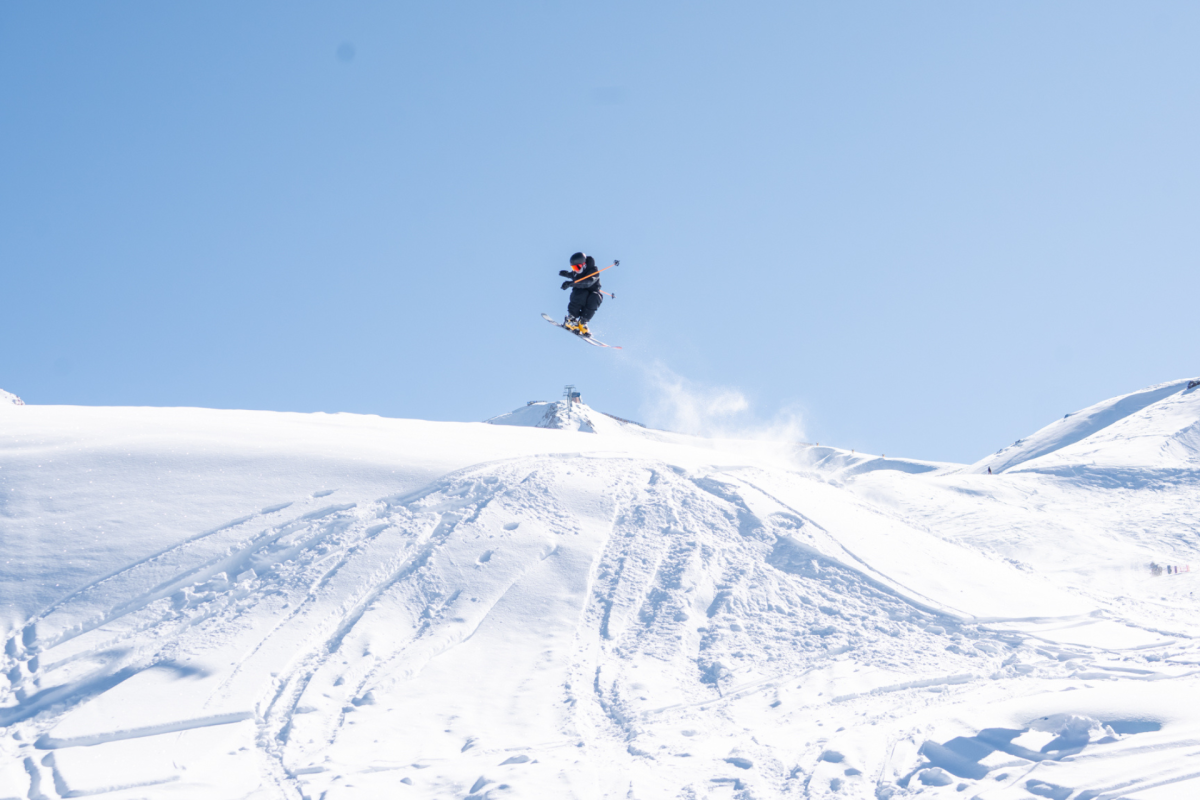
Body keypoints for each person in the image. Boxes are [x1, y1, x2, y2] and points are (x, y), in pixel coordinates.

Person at [559, 252, 603, 336]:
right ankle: (570, 319)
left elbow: (587, 283)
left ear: (584, 264)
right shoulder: (576, 272)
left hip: (591, 293)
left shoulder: (594, 271)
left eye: (577, 267)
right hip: (579, 294)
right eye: (573, 267)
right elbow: (573, 275)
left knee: (596, 297)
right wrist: (566, 274)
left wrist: (571, 283)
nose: (576, 270)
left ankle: (583, 321)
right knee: (581, 293)